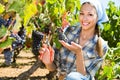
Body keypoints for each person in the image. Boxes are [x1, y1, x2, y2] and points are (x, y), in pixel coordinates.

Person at [39, 0, 109, 80]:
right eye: (82, 13)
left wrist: (79, 53)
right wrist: (48, 63)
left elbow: (84, 77)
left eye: (90, 14)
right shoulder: (67, 32)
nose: (84, 18)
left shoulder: (102, 46)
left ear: (97, 18)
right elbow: (54, 68)